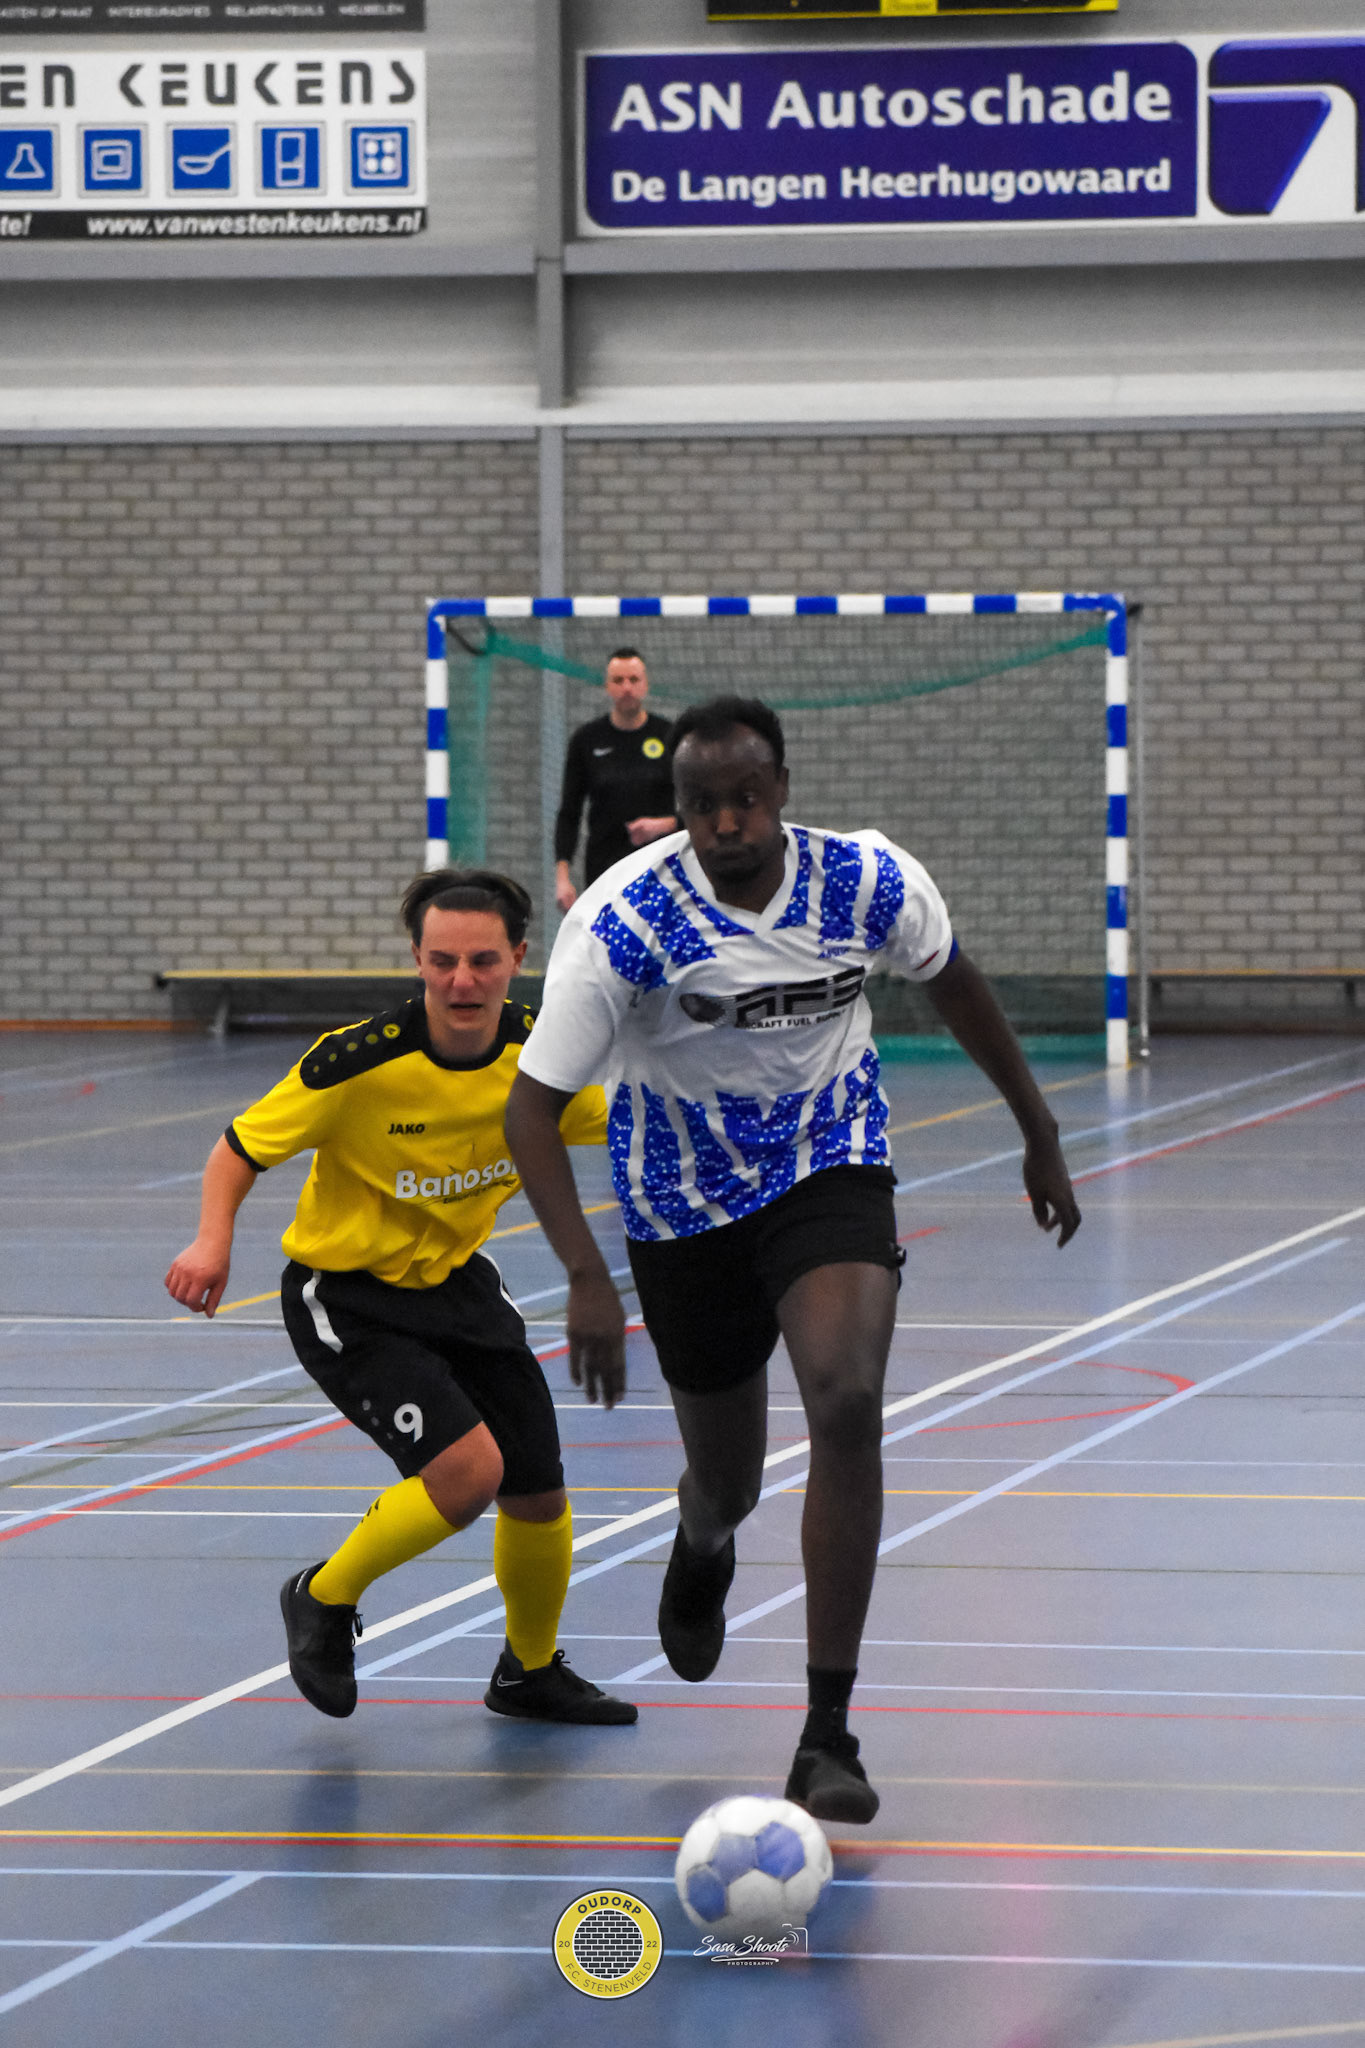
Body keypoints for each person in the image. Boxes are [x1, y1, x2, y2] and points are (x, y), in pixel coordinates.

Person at [504, 696, 1080, 1823]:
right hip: (681, 1202)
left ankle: (826, 1732)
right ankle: (702, 1535)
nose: (727, 821)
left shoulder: (865, 880)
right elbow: (532, 1109)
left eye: (747, 797)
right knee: (729, 1479)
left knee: (847, 1400)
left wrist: (1040, 1128)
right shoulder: (623, 920)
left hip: (829, 1161)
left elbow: (953, 980)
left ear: (781, 791)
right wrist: (582, 1274)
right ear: (677, 809)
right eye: (702, 803)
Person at [164, 867, 636, 1729]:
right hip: (347, 1298)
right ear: (417, 959)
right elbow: (238, 1148)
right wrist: (210, 1239)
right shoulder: (357, 1062)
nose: (462, 981)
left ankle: (529, 1672)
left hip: (457, 1285)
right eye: (442, 961)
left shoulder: (542, 1061)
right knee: (468, 1473)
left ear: (518, 958)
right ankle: (322, 1595)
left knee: (536, 1490)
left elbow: (633, 1117)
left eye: (483, 961)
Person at [553, 646, 677, 912]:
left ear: (646, 685)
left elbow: (696, 806)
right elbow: (569, 812)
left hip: (660, 867)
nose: (627, 688)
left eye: (634, 679)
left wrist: (663, 825)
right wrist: (562, 877)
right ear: (607, 687)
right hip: (605, 869)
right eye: (618, 680)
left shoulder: (669, 736)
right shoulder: (587, 740)